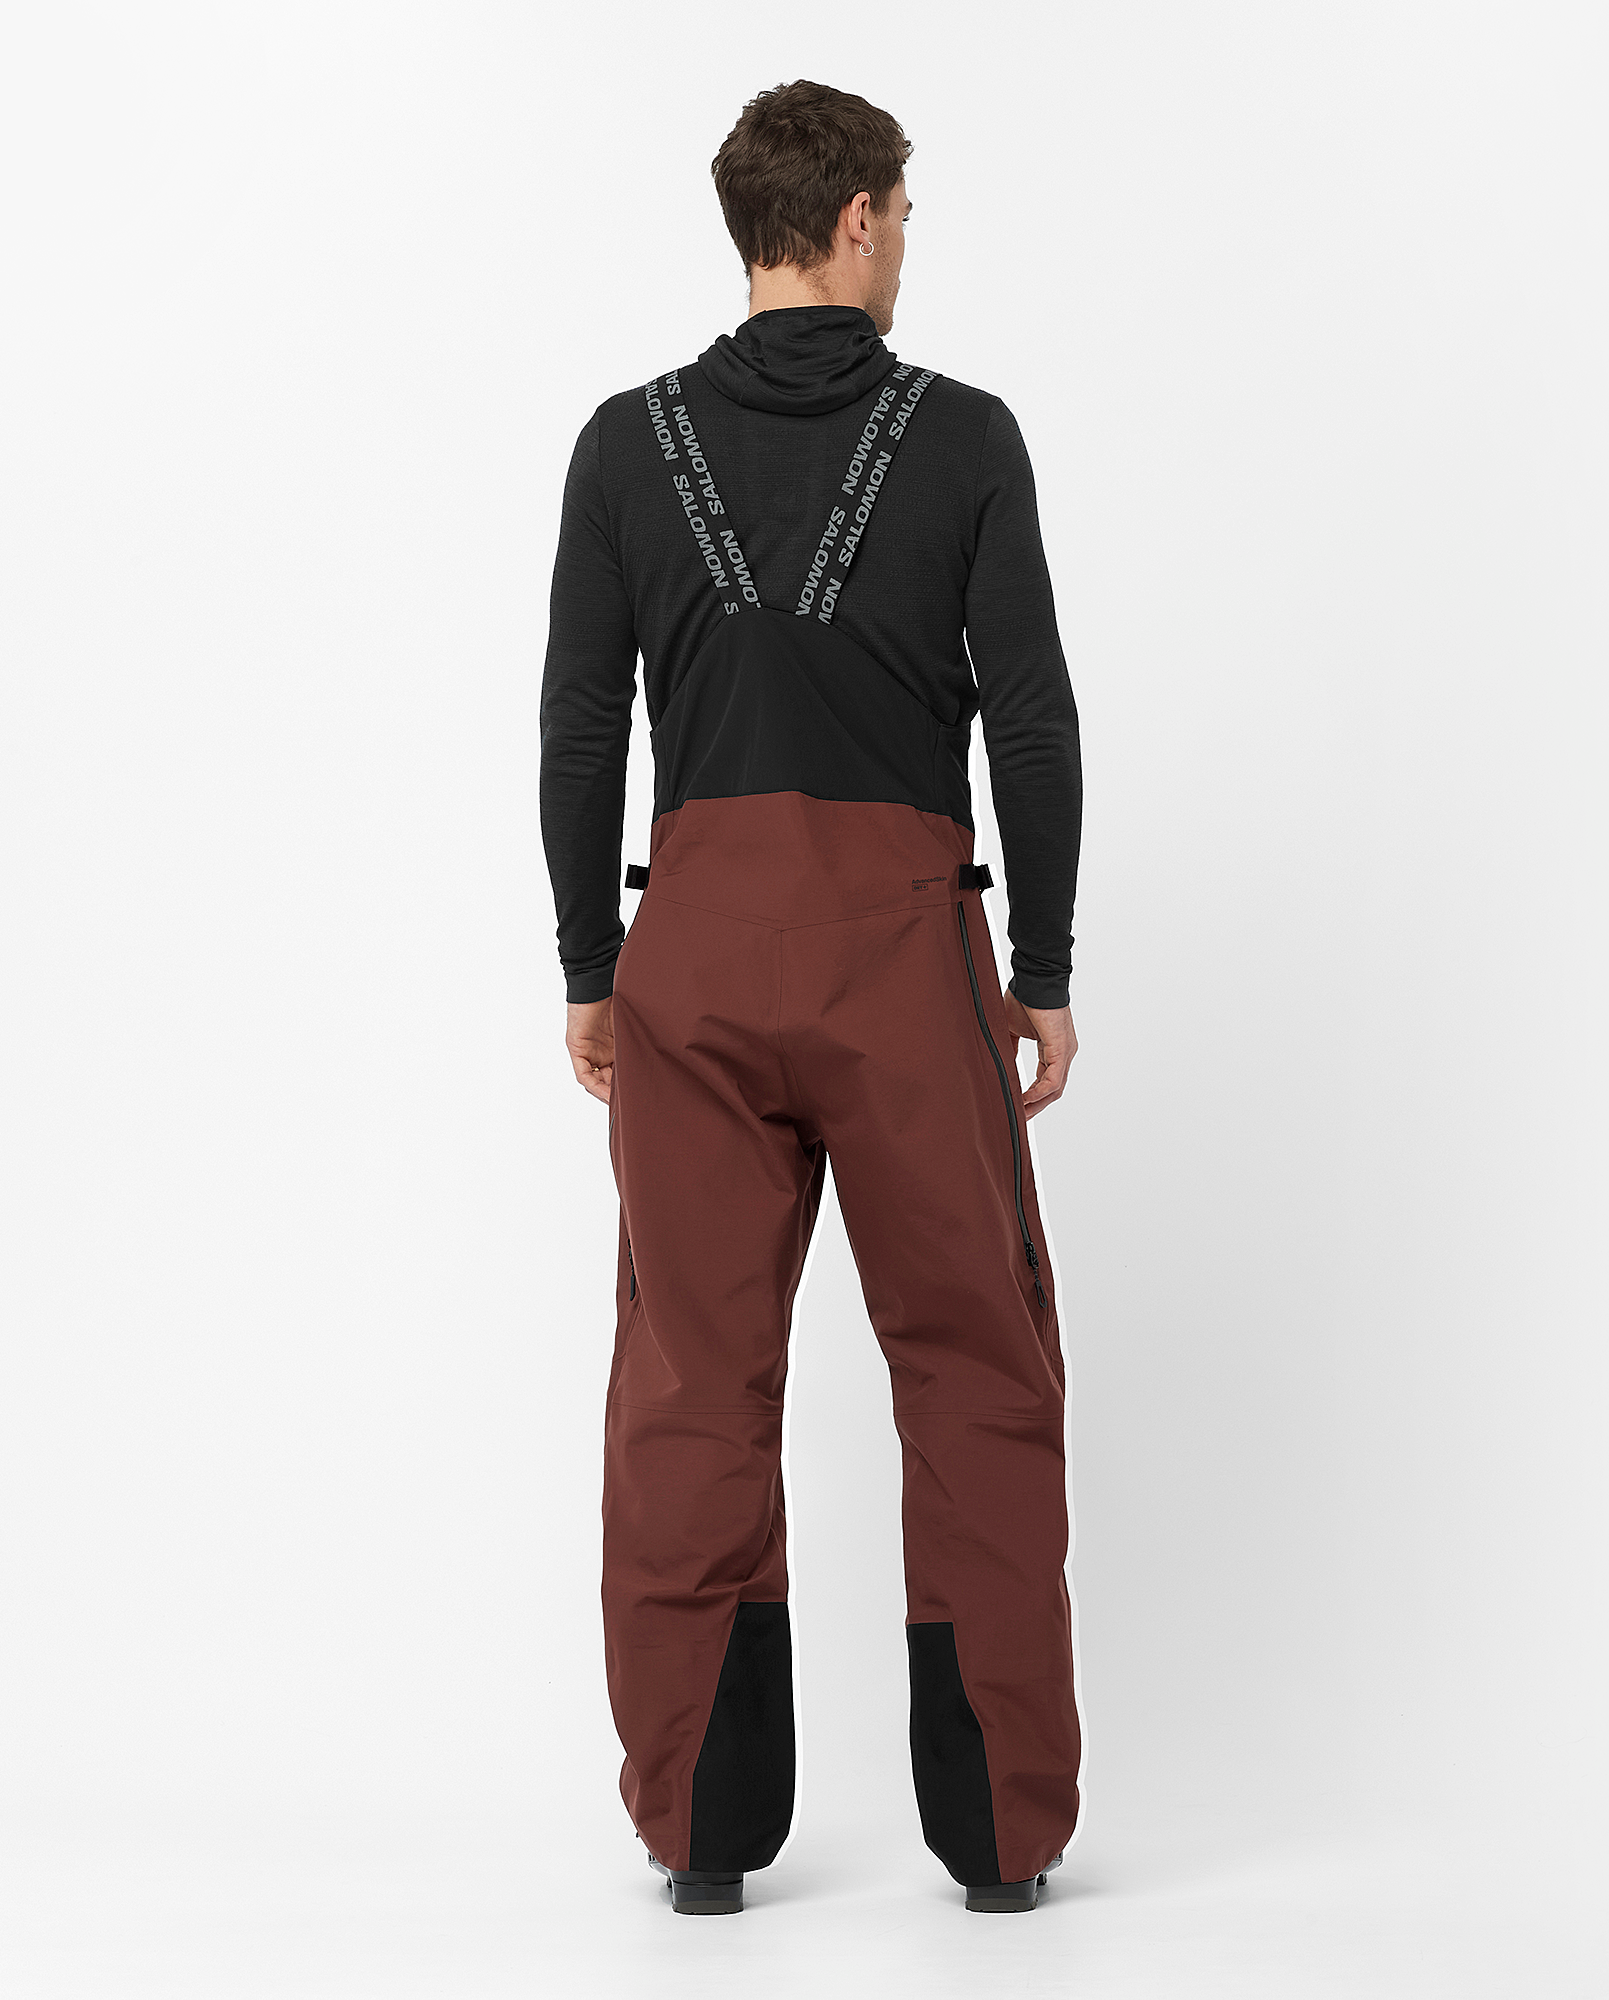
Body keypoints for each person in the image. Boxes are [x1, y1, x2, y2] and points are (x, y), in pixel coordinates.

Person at [538, 79, 1084, 1916]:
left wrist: (591, 968)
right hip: (903, 960)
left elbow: (579, 731)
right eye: (903, 214)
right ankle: (998, 1841)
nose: (907, 243)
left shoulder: (624, 446)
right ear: (854, 218)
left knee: (690, 1384)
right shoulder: (968, 438)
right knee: (976, 1366)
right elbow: (1032, 720)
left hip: (690, 959)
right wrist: (1042, 969)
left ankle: (702, 1835)